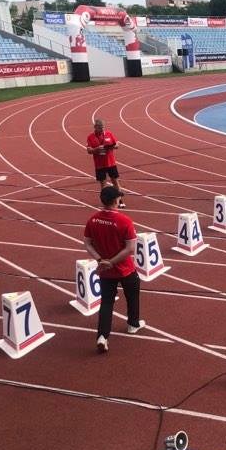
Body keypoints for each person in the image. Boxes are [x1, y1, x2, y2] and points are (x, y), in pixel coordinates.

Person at [83, 186, 145, 353]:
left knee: (107, 302)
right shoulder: (125, 221)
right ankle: (133, 324)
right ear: (116, 201)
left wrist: (100, 260)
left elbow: (87, 243)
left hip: (106, 271)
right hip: (125, 269)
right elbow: (129, 249)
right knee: (132, 296)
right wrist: (111, 262)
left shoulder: (93, 219)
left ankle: (102, 336)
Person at [86, 119, 126, 208]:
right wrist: (97, 149)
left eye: (103, 127)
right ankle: (106, 202)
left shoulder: (108, 134)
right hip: (99, 165)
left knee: (115, 182)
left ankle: (120, 201)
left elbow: (117, 144)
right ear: (95, 127)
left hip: (111, 163)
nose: (102, 129)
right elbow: (89, 150)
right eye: (100, 128)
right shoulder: (90, 137)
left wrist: (112, 147)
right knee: (103, 184)